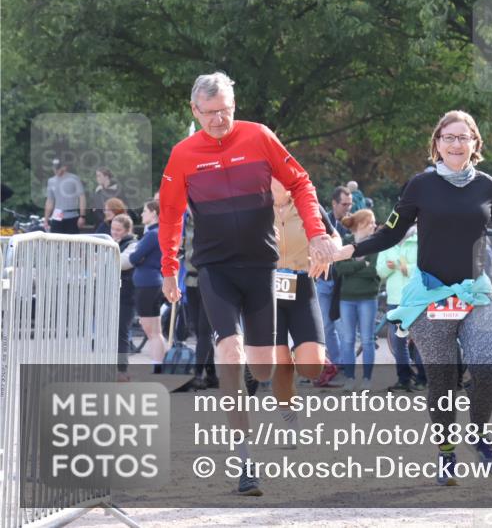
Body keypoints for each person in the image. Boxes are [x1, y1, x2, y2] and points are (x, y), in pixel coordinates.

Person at [333, 109, 492, 485]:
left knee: (487, 369)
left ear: (475, 144)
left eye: (463, 137)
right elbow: (391, 232)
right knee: (442, 378)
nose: (456, 144)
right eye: (448, 137)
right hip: (431, 294)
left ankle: (479, 434)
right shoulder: (420, 185)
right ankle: (446, 453)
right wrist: (349, 250)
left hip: (475, 292)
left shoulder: (489, 187)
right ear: (436, 144)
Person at [158, 72, 340, 496]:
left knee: (260, 367)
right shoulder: (183, 154)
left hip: (262, 269)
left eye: (226, 111)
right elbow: (170, 213)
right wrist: (169, 269)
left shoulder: (259, 137)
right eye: (210, 114)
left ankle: (279, 398)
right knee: (230, 352)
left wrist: (316, 233)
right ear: (194, 111)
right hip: (216, 270)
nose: (219, 121)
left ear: (234, 106)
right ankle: (245, 459)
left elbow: (300, 181)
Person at [270, 177, 331, 431]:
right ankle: (288, 417)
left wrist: (326, 253)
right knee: (279, 362)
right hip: (265, 292)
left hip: (302, 286)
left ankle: (296, 353)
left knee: (311, 367)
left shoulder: (308, 204)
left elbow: (334, 238)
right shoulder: (254, 206)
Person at [334, 209, 381, 391]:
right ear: (361, 224)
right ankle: (350, 378)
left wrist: (352, 266)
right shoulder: (346, 242)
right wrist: (362, 263)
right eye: (371, 223)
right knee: (348, 339)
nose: (374, 226)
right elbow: (339, 268)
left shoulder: (376, 244)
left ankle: (367, 379)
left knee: (368, 340)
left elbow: (374, 271)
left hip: (368, 298)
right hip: (347, 298)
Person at [377, 223, 426, 392]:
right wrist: (391, 267)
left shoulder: (420, 240)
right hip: (395, 299)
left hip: (415, 298)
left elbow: (425, 266)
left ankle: (422, 378)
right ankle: (404, 378)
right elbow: (380, 271)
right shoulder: (386, 243)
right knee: (398, 342)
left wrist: (406, 268)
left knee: (420, 339)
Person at [313, 186, 353, 387]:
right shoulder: (323, 219)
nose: (348, 208)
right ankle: (335, 365)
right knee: (327, 326)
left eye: (350, 204)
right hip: (323, 280)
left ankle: (346, 366)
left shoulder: (352, 224)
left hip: (341, 282)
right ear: (334, 204)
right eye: (344, 204)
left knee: (342, 326)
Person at [181, 211, 218, 391]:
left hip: (210, 279)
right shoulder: (184, 221)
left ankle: (197, 375)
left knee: (205, 331)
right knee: (197, 329)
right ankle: (211, 375)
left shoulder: (212, 217)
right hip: (190, 280)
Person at [128, 201, 166, 370]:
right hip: (151, 281)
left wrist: (138, 256)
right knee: (154, 330)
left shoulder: (152, 234)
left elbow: (134, 257)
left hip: (148, 283)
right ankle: (157, 364)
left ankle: (157, 364)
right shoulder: (155, 232)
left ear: (154, 213)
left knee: (152, 330)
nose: (142, 214)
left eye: (144, 211)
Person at [112, 214, 138, 381]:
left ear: (127, 230)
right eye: (112, 229)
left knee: (122, 332)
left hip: (127, 294)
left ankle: (122, 370)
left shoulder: (133, 244)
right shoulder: (114, 243)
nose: (114, 232)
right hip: (114, 293)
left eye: (118, 230)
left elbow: (122, 263)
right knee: (113, 333)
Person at [44, 158, 86, 233]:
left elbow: (82, 197)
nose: (56, 170)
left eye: (58, 168)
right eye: (54, 168)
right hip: (57, 215)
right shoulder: (51, 181)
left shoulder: (74, 179)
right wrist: (46, 219)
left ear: (64, 167)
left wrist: (82, 216)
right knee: (56, 241)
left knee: (72, 241)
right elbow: (50, 200)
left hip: (72, 216)